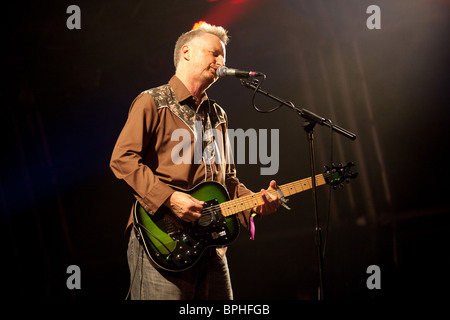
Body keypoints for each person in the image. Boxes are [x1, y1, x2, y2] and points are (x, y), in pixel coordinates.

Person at [110, 23, 280, 300]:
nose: (221, 62)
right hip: (162, 238)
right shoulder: (152, 102)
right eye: (214, 53)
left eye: (223, 56)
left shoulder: (218, 115)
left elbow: (228, 180)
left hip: (211, 243)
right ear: (186, 52)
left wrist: (255, 201)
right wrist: (170, 198)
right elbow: (122, 159)